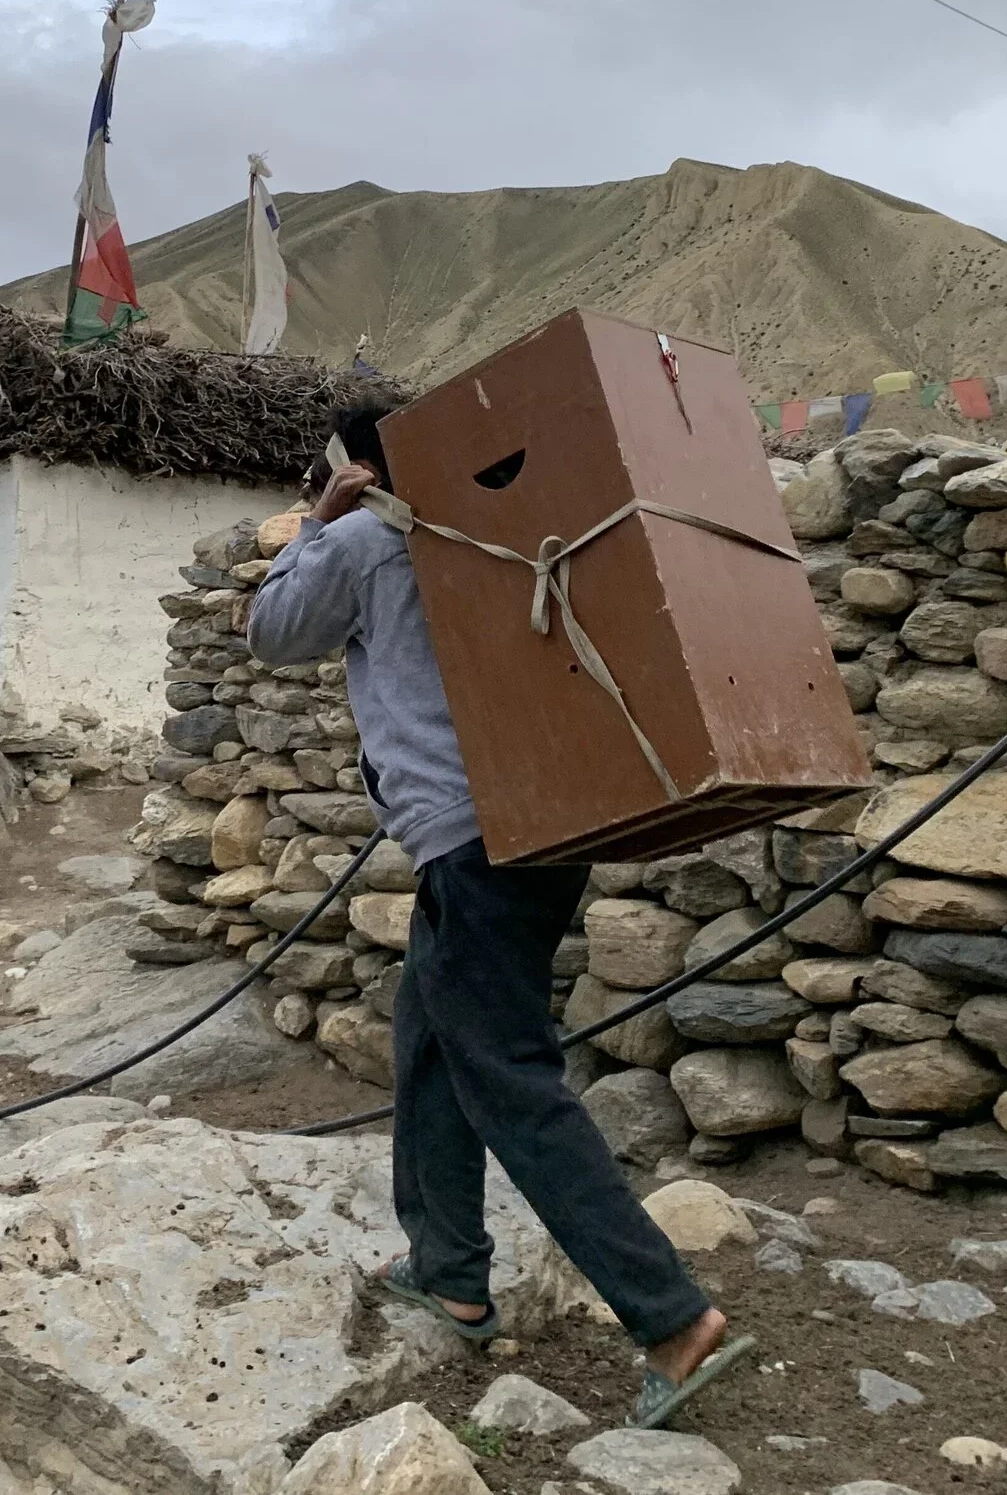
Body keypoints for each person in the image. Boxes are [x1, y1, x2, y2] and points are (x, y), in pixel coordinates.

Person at [248, 406, 749, 1431]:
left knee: (506, 1074)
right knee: (431, 1040)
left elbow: (272, 633)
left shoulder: (368, 533)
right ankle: (450, 1271)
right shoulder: (509, 529)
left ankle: (670, 1316)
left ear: (355, 466)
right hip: (541, 817)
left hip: (467, 835)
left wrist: (314, 518)